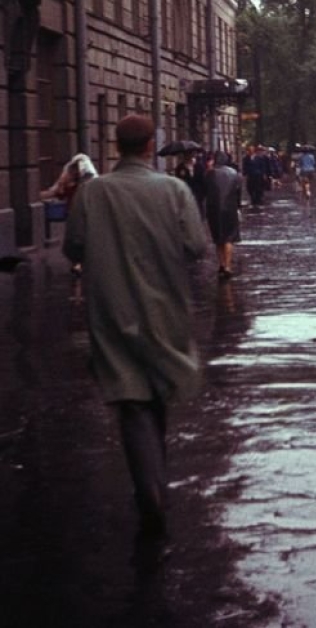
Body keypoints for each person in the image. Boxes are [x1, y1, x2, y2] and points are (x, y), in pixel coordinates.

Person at [62, 115, 206, 544]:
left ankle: (150, 489)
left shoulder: (94, 192)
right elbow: (196, 247)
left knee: (132, 401)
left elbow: (73, 246)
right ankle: (153, 489)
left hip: (112, 309)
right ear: (148, 146)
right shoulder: (174, 190)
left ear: (117, 145)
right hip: (165, 309)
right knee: (154, 393)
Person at [41, 153, 98, 276]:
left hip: (86, 215)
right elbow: (59, 194)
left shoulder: (89, 184)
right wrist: (61, 186)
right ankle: (77, 263)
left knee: (83, 239)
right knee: (75, 240)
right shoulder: (71, 183)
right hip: (73, 215)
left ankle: (81, 263)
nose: (76, 172)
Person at [205, 151, 244, 279]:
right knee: (228, 238)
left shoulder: (210, 173)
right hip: (230, 209)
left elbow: (205, 189)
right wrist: (238, 207)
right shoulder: (234, 173)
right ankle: (227, 265)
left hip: (213, 209)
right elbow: (238, 192)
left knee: (218, 238)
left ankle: (221, 264)